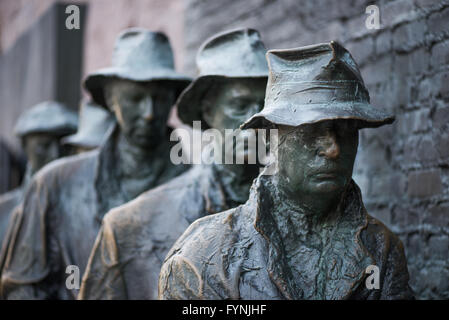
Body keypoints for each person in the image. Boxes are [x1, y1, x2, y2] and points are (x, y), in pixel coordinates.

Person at [159, 41, 415, 300]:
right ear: (271, 136)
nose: (333, 148)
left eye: (346, 130)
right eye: (311, 130)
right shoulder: (202, 258)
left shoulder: (382, 249)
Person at [0, 28, 191, 299]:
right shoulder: (55, 184)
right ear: (112, 99)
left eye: (159, 98)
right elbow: (22, 287)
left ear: (173, 99)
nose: (149, 113)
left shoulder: (200, 186)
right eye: (135, 98)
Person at [78, 28, 268, 299]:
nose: (254, 120)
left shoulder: (307, 211)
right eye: (239, 105)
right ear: (208, 111)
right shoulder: (128, 226)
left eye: (265, 105)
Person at [0, 101, 78, 257]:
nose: (55, 155)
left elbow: (75, 275)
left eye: (64, 146)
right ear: (24, 146)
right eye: (44, 146)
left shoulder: (86, 210)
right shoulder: (3, 211)